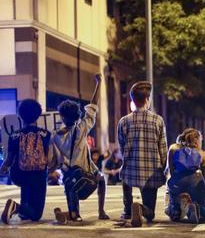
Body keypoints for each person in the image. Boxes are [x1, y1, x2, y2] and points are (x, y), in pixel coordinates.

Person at [51, 74, 109, 223]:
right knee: (101, 180)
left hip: (69, 177)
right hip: (88, 172)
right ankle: (101, 211)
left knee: (75, 213)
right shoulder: (81, 129)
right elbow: (93, 106)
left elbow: (53, 159)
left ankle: (68, 214)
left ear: (62, 117)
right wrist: (99, 83)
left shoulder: (55, 135)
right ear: (77, 116)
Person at [118, 81, 168, 227]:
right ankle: (141, 209)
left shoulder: (123, 121)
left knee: (125, 175)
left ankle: (128, 209)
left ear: (133, 100)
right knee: (150, 215)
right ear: (147, 99)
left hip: (130, 172)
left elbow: (122, 148)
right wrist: (164, 169)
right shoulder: (157, 120)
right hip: (151, 174)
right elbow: (163, 149)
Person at [0, 99, 53, 223]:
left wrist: (3, 169)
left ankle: (23, 209)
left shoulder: (14, 135)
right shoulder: (45, 134)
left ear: (20, 115)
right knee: (36, 216)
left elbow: (9, 159)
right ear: (38, 115)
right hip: (38, 174)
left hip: (19, 174)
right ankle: (16, 207)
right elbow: (49, 158)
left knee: (26, 189)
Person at [166, 128, 205, 223]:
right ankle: (198, 209)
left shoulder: (173, 148)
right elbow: (204, 177)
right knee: (203, 211)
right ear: (197, 140)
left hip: (177, 181)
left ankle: (176, 210)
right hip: (195, 181)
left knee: (174, 214)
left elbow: (171, 170)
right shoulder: (202, 153)